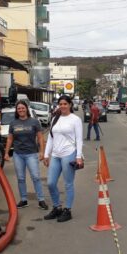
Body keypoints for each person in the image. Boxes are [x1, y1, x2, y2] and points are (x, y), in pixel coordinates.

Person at [43, 95, 84, 223]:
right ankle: (57, 207)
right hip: (55, 154)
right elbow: (50, 137)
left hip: (69, 154)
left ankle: (68, 210)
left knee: (68, 183)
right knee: (50, 183)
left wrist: (78, 156)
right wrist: (46, 154)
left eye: (65, 104)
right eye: (60, 104)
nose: (63, 106)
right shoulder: (55, 118)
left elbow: (79, 139)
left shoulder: (75, 119)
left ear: (70, 105)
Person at [4, 100, 48, 210]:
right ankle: (23, 200)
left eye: (22, 108)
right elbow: (10, 139)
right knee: (21, 178)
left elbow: (40, 137)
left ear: (26, 109)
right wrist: (6, 153)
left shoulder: (34, 122)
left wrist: (42, 152)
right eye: (19, 108)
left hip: (31, 154)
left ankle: (41, 200)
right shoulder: (13, 123)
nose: (21, 110)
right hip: (18, 154)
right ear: (17, 110)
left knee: (36, 177)